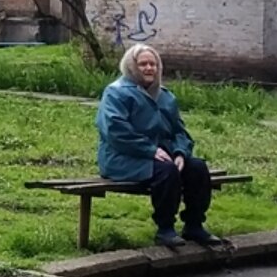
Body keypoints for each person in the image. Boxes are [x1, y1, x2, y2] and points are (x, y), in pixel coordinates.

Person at [94, 43, 222, 248]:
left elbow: (180, 131)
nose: (149, 68)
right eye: (143, 64)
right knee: (167, 171)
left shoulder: (165, 96)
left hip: (162, 156)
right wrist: (150, 151)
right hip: (122, 158)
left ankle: (194, 225)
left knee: (197, 167)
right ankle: (165, 229)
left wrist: (180, 152)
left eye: (153, 64)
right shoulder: (116, 93)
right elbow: (115, 131)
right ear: (131, 66)